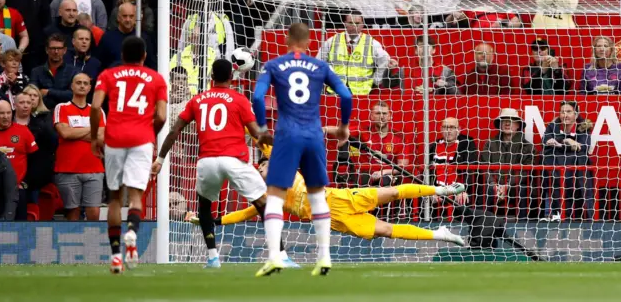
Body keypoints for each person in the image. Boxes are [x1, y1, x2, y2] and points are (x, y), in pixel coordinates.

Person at [152, 59, 296, 269]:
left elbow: (174, 131)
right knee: (264, 204)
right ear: (231, 77)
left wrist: (160, 159)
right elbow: (257, 134)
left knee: (204, 207)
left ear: (211, 76)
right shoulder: (239, 99)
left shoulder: (197, 100)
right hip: (234, 160)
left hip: (207, 161)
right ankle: (280, 255)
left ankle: (212, 258)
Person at [251, 22, 352, 277]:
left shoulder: (274, 65)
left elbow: (257, 96)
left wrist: (263, 128)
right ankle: (324, 257)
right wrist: (342, 127)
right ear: (309, 43)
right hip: (314, 135)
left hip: (287, 134)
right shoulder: (320, 66)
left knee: (274, 196)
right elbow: (346, 95)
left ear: (287, 40)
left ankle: (275, 256)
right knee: (317, 196)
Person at [204, 152, 466, 247]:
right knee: (386, 230)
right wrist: (217, 220)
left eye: (261, 166)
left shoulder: (283, 167)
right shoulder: (265, 197)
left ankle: (443, 191)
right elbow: (247, 214)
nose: (259, 169)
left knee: (392, 192)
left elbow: (265, 142)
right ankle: (440, 234)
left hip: (338, 199)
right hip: (333, 219)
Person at [90, 36, 167, 274]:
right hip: (141, 140)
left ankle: (115, 256)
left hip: (114, 139)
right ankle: (132, 232)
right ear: (144, 56)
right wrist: (148, 134)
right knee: (136, 196)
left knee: (114, 197)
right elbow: (162, 116)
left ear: (122, 56)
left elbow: (95, 107)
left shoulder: (108, 75)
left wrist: (95, 137)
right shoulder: (157, 79)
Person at [55, 73, 105, 221]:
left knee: (94, 213)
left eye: (85, 83)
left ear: (90, 88)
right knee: (72, 214)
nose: (82, 85)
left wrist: (74, 132)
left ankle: (92, 243)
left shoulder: (98, 111)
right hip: (68, 169)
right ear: (72, 86)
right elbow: (65, 133)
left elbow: (102, 138)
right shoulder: (61, 107)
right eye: (78, 83)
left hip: (94, 168)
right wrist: (92, 129)